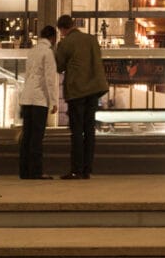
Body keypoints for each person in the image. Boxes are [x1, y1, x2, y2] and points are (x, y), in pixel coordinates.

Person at [56, 14, 108, 180]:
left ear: (62, 29)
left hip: (77, 90)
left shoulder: (65, 43)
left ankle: (76, 169)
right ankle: (87, 169)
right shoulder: (91, 39)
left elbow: (59, 65)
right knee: (89, 130)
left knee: (77, 131)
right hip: (93, 89)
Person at [19, 24, 59, 179]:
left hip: (27, 97)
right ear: (53, 38)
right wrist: (54, 101)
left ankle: (24, 171)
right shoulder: (47, 53)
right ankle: (36, 171)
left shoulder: (32, 51)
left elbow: (28, 74)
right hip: (39, 99)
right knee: (37, 136)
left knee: (26, 136)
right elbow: (50, 79)